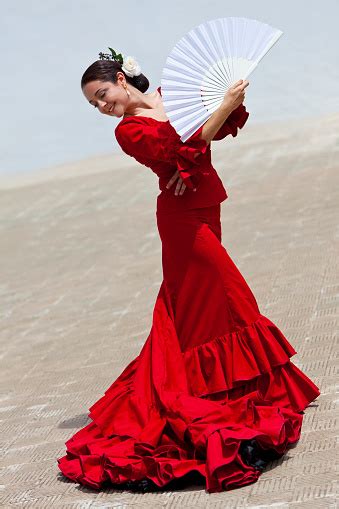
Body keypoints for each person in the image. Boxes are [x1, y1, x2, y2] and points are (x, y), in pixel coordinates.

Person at [57, 49, 321, 494]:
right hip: (180, 222)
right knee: (232, 296)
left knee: (207, 306)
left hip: (204, 206)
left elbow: (211, 134)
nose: (103, 107)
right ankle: (228, 390)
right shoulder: (129, 131)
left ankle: (244, 386)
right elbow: (188, 145)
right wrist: (214, 117)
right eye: (94, 104)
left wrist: (228, 102)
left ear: (122, 79)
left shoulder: (170, 96)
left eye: (102, 95)